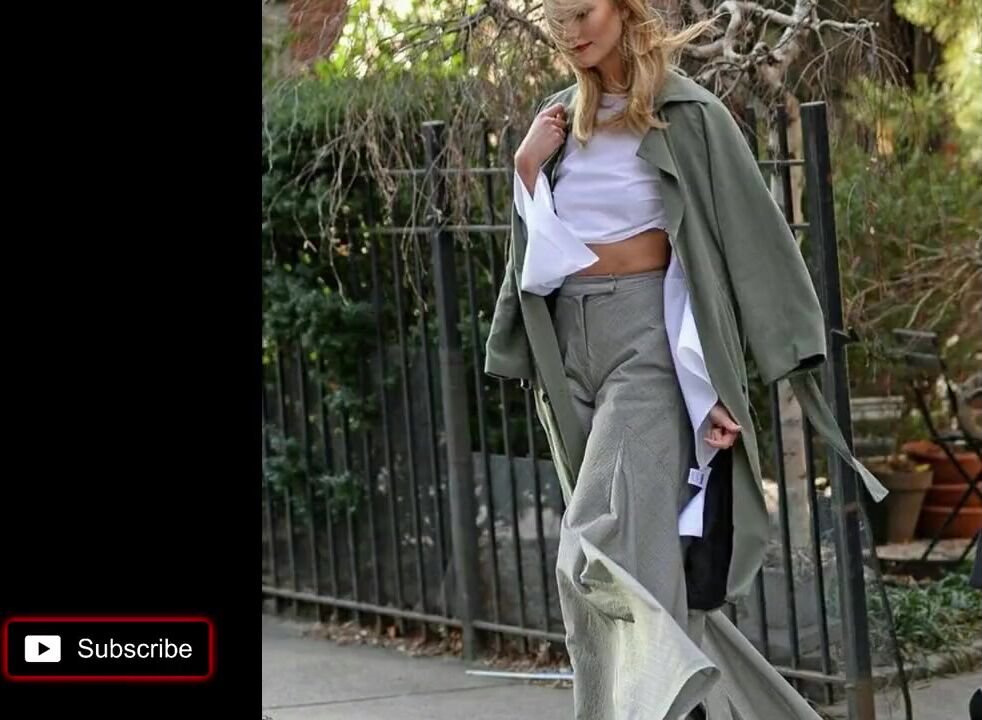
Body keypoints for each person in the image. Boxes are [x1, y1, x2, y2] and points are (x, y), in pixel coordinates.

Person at [484, 1, 890, 718]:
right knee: (648, 568)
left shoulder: (689, 114)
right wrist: (525, 169)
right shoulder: (559, 120)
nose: (571, 32)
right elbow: (536, 258)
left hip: (648, 342)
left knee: (592, 548)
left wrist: (723, 383)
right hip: (570, 348)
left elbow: (747, 238)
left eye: (583, 12)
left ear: (623, 8)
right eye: (557, 20)